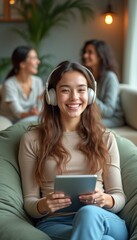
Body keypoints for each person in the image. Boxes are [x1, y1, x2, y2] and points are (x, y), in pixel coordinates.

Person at [18, 61, 128, 240]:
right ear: (51, 95)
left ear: (91, 95)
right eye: (65, 90)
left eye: (81, 89)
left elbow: (119, 197)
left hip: (104, 219)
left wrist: (105, 199)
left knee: (88, 214)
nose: (74, 97)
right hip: (55, 224)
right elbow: (29, 202)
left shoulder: (105, 137)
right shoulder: (32, 140)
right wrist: (44, 204)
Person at [81, 39, 125, 128]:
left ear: (100, 56)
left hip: (112, 119)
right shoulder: (88, 75)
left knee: (81, 125)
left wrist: (89, 94)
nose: (85, 55)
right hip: (93, 116)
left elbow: (108, 111)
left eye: (90, 52)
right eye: (85, 52)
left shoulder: (110, 77)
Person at [0, 45, 44, 123]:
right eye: (34, 58)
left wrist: (38, 111)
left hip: (29, 119)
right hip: (11, 122)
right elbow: (18, 113)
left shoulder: (38, 81)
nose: (38, 62)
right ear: (22, 64)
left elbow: (40, 106)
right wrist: (33, 113)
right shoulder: (9, 85)